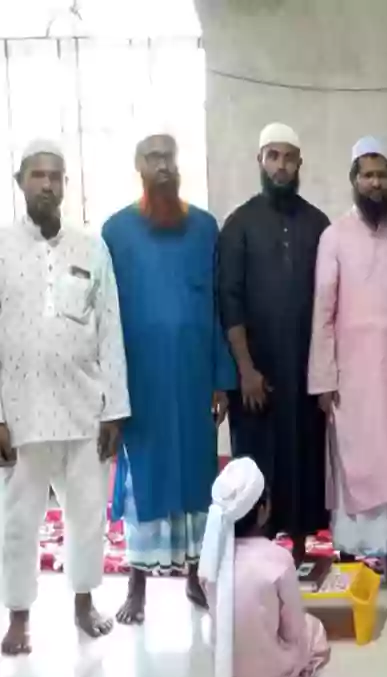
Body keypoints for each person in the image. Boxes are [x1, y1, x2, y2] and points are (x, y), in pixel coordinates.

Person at [0, 140, 129, 654]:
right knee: (17, 521)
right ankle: (18, 616)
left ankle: (83, 603)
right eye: (38, 175)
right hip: (21, 413)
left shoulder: (90, 247)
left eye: (56, 176)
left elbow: (111, 331)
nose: (48, 185)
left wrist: (115, 409)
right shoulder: (2, 248)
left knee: (86, 515)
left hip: (84, 410)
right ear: (20, 182)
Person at [103, 129, 236, 624]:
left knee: (198, 474)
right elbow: (105, 316)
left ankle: (197, 579)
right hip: (141, 382)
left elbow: (218, 306)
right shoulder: (115, 232)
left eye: (169, 157)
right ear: (138, 166)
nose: (163, 165)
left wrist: (222, 377)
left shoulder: (205, 228)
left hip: (195, 376)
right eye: (153, 157)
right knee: (146, 478)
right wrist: (110, 392)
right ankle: (136, 586)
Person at [309, 136, 387, 581]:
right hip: (350, 374)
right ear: (354, 180)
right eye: (367, 175)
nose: (375, 183)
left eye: (381, 175)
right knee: (356, 459)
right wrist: (322, 379)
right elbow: (323, 309)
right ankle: (357, 549)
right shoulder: (334, 236)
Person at [218, 123, 330, 566]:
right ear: (260, 161)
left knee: (305, 457)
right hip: (257, 376)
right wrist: (245, 369)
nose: (281, 166)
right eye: (273, 157)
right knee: (258, 459)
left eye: (289, 158)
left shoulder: (318, 224)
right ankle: (257, 554)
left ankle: (301, 551)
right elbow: (230, 299)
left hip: (305, 370)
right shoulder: (238, 225)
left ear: (300, 164)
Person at [198, 457, 330, 677]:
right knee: (314, 630)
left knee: (210, 623)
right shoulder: (278, 559)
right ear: (262, 511)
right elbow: (293, 629)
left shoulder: (210, 556)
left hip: (226, 662)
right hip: (270, 663)